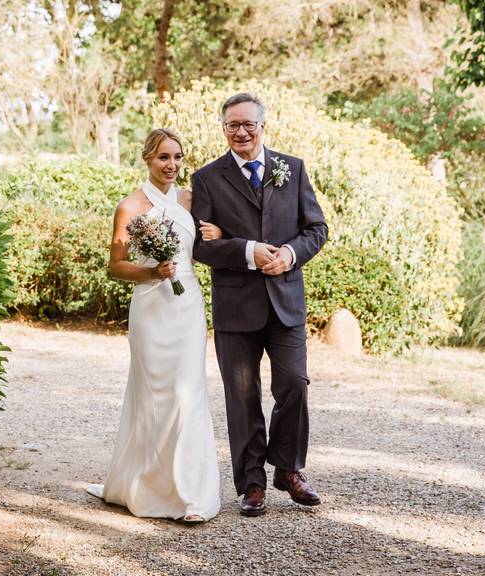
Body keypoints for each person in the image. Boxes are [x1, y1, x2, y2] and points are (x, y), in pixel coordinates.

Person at [191, 93, 328, 517]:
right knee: (242, 396)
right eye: (232, 125)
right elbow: (198, 245)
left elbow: (317, 228)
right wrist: (249, 250)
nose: (241, 132)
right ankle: (252, 483)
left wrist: (288, 254)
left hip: (285, 301)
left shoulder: (294, 168)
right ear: (223, 128)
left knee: (294, 385)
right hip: (237, 306)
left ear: (262, 126)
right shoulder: (207, 179)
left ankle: (288, 469)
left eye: (248, 124)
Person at [88, 128, 222, 523]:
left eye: (178, 157)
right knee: (152, 395)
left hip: (187, 306)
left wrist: (217, 233)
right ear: (148, 158)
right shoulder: (129, 207)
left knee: (187, 392)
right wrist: (152, 273)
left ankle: (190, 493)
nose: (172, 165)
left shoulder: (192, 201)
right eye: (164, 157)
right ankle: (146, 485)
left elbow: (210, 244)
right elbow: (116, 266)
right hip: (150, 308)